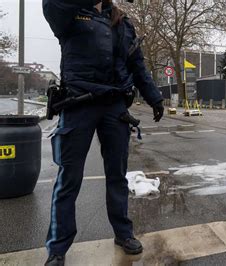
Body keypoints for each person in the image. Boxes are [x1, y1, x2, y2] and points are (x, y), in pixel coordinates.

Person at [42, 0, 164, 265]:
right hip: (78, 103)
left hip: (115, 106)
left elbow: (137, 64)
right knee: (69, 180)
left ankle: (123, 233)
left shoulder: (122, 21)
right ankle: (57, 248)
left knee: (117, 177)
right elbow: (51, 7)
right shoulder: (70, 10)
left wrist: (155, 97)